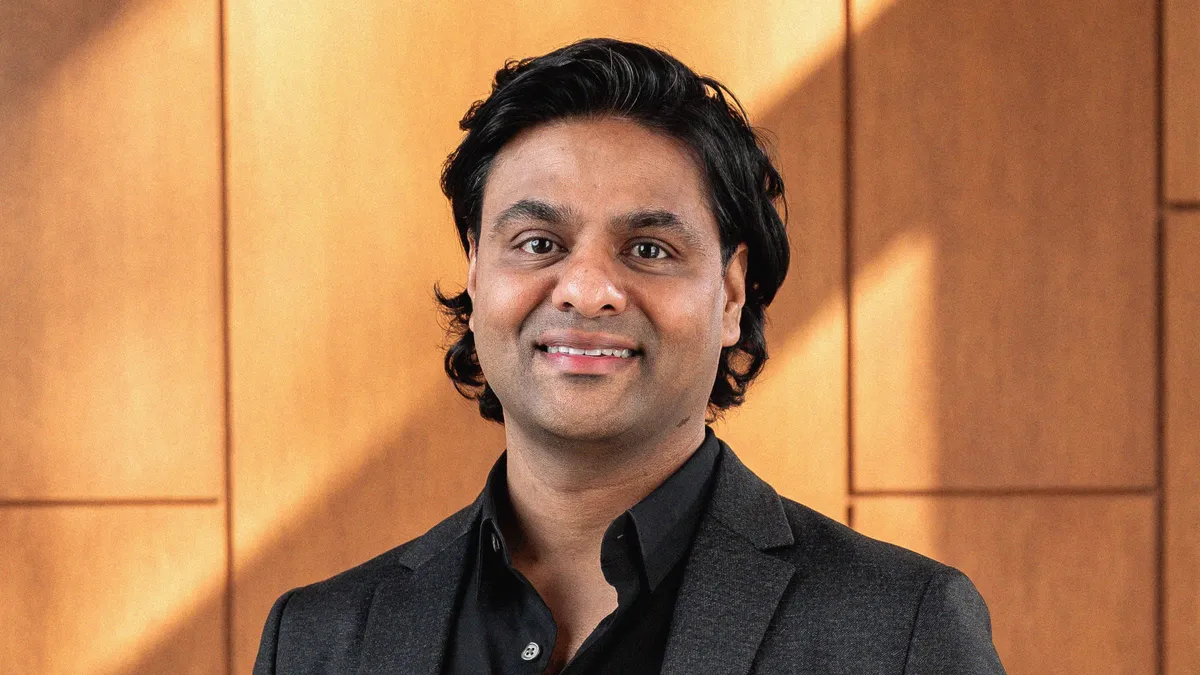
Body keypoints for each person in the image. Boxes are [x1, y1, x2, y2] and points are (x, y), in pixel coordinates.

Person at [252, 37, 1005, 674]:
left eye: (649, 248)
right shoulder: (320, 641)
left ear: (732, 293)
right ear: (477, 274)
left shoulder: (901, 629)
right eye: (539, 244)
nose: (586, 290)